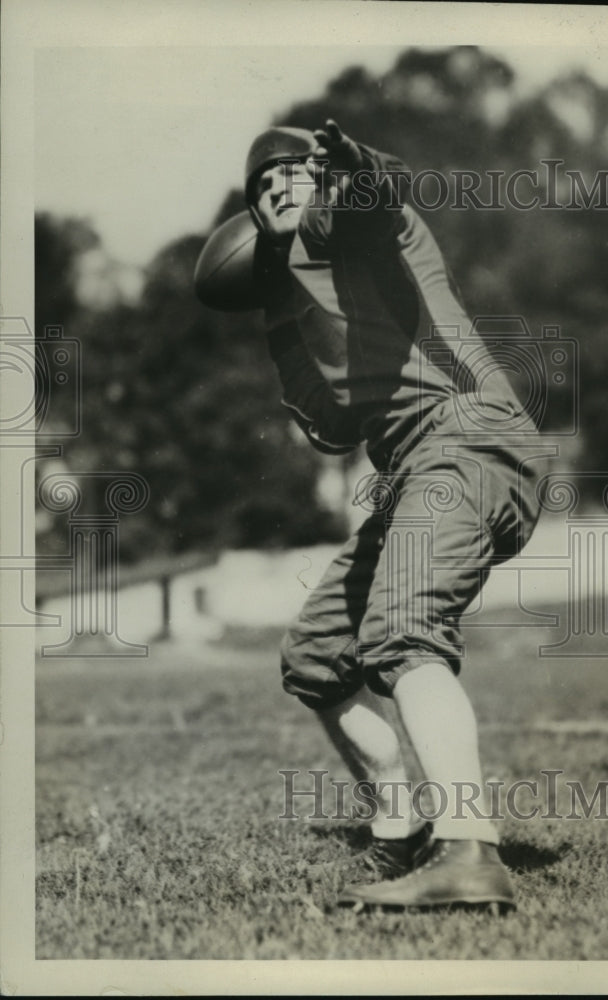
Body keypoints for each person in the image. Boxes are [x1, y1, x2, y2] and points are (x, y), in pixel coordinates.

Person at [202, 120, 544, 910]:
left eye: (291, 173)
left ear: (319, 178)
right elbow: (330, 429)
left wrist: (356, 168)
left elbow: (378, 193)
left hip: (471, 437)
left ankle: (468, 852)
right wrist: (280, 314)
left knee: (400, 632)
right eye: (260, 185)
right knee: (319, 656)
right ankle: (398, 827)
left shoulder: (355, 223)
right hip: (417, 469)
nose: (276, 187)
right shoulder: (297, 292)